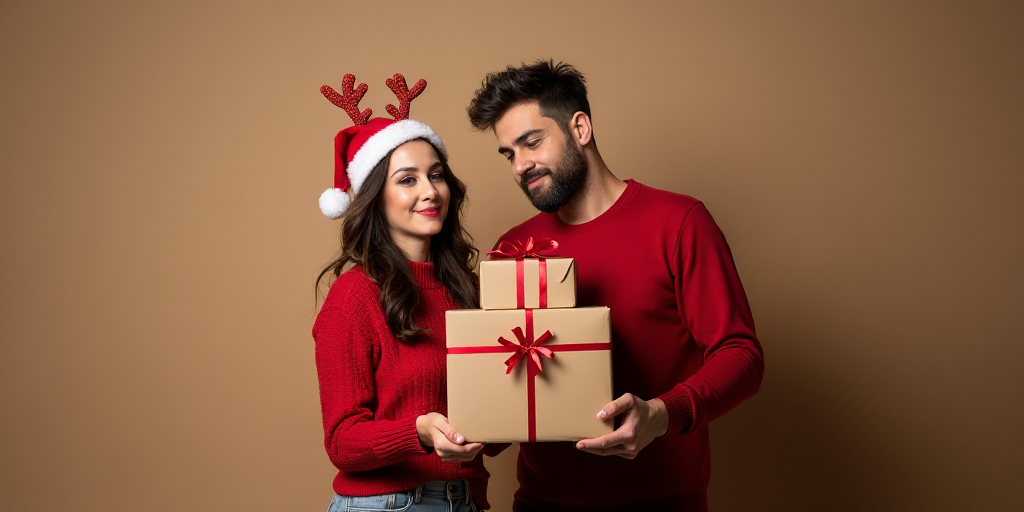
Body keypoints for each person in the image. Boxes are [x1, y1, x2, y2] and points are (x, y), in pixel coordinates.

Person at [466, 61, 766, 511]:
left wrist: (662, 414)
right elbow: (509, 390)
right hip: (541, 503)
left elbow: (741, 355)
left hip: (662, 501)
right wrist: (472, 429)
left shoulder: (679, 223)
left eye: (532, 142)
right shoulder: (513, 249)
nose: (521, 165)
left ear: (580, 128)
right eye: (509, 154)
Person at [313, 73, 500, 512]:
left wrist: (526, 407)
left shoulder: (467, 289)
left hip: (465, 500)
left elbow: (488, 431)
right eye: (407, 180)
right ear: (375, 197)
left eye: (436, 175)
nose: (430, 191)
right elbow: (341, 441)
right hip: (388, 504)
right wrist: (418, 432)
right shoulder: (354, 296)